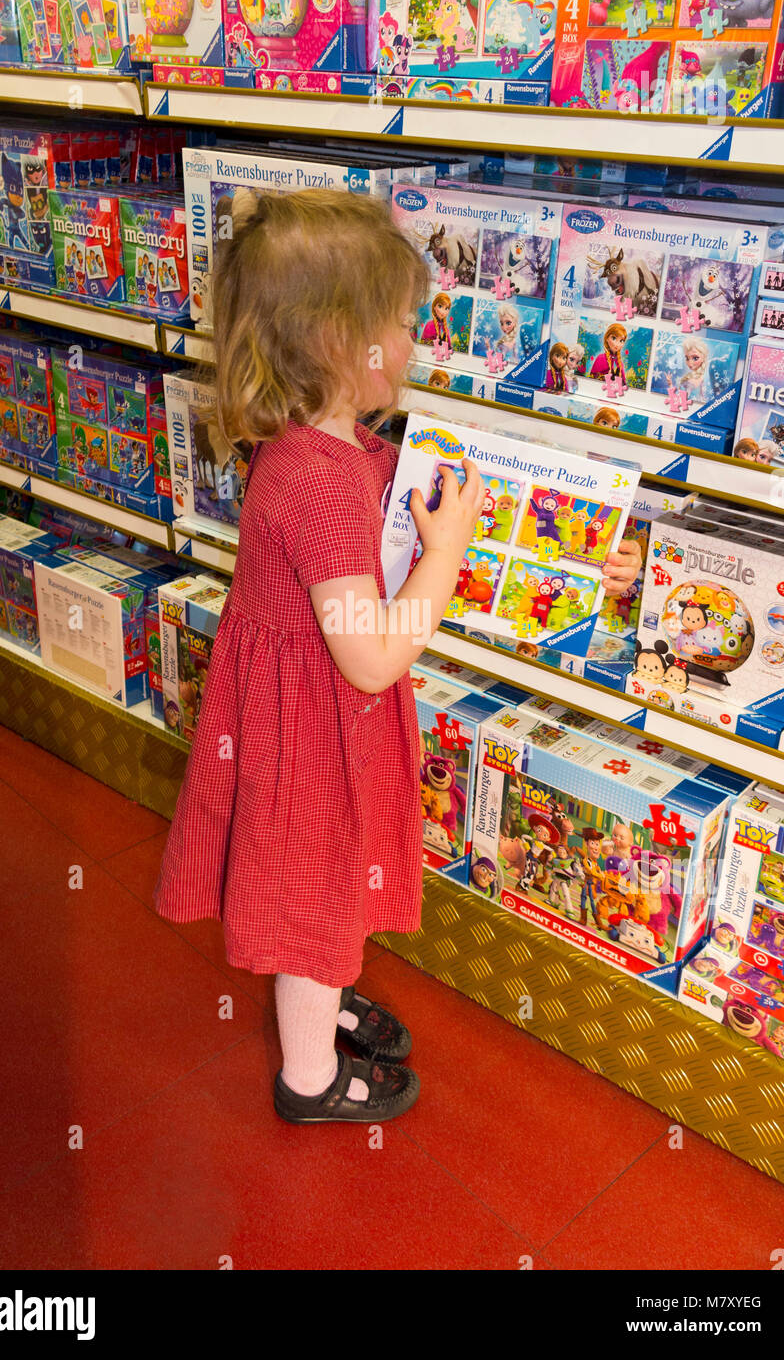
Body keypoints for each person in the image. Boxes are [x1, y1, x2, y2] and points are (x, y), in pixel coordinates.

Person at [152, 189, 642, 1127]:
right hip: (312, 735)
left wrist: (584, 562)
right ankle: (309, 1078)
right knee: (315, 899)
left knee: (329, 881)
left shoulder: (337, 449)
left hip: (315, 714)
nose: (416, 342)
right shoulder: (316, 485)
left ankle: (322, 998)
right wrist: (448, 554)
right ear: (339, 342)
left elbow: (422, 528)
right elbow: (374, 658)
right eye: (403, 325)